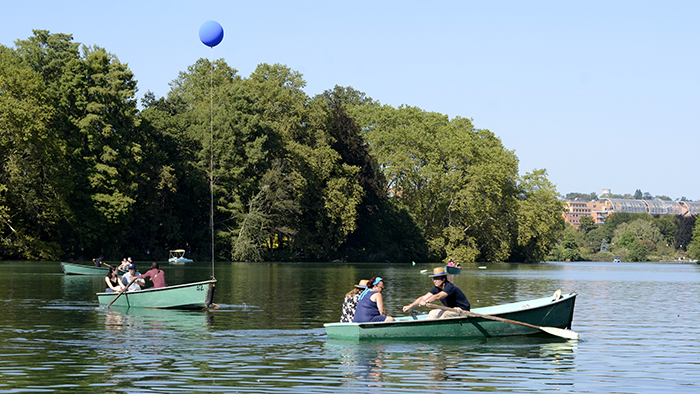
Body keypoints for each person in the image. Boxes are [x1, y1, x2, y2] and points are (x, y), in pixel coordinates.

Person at [402, 267, 470, 319]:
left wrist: (426, 301)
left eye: (437, 279)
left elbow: (439, 296)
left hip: (462, 310)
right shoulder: (436, 288)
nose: (435, 281)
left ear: (443, 279)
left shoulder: (449, 287)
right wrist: (410, 306)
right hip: (451, 310)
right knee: (432, 313)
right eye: (434, 279)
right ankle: (427, 329)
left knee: (444, 314)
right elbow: (423, 297)